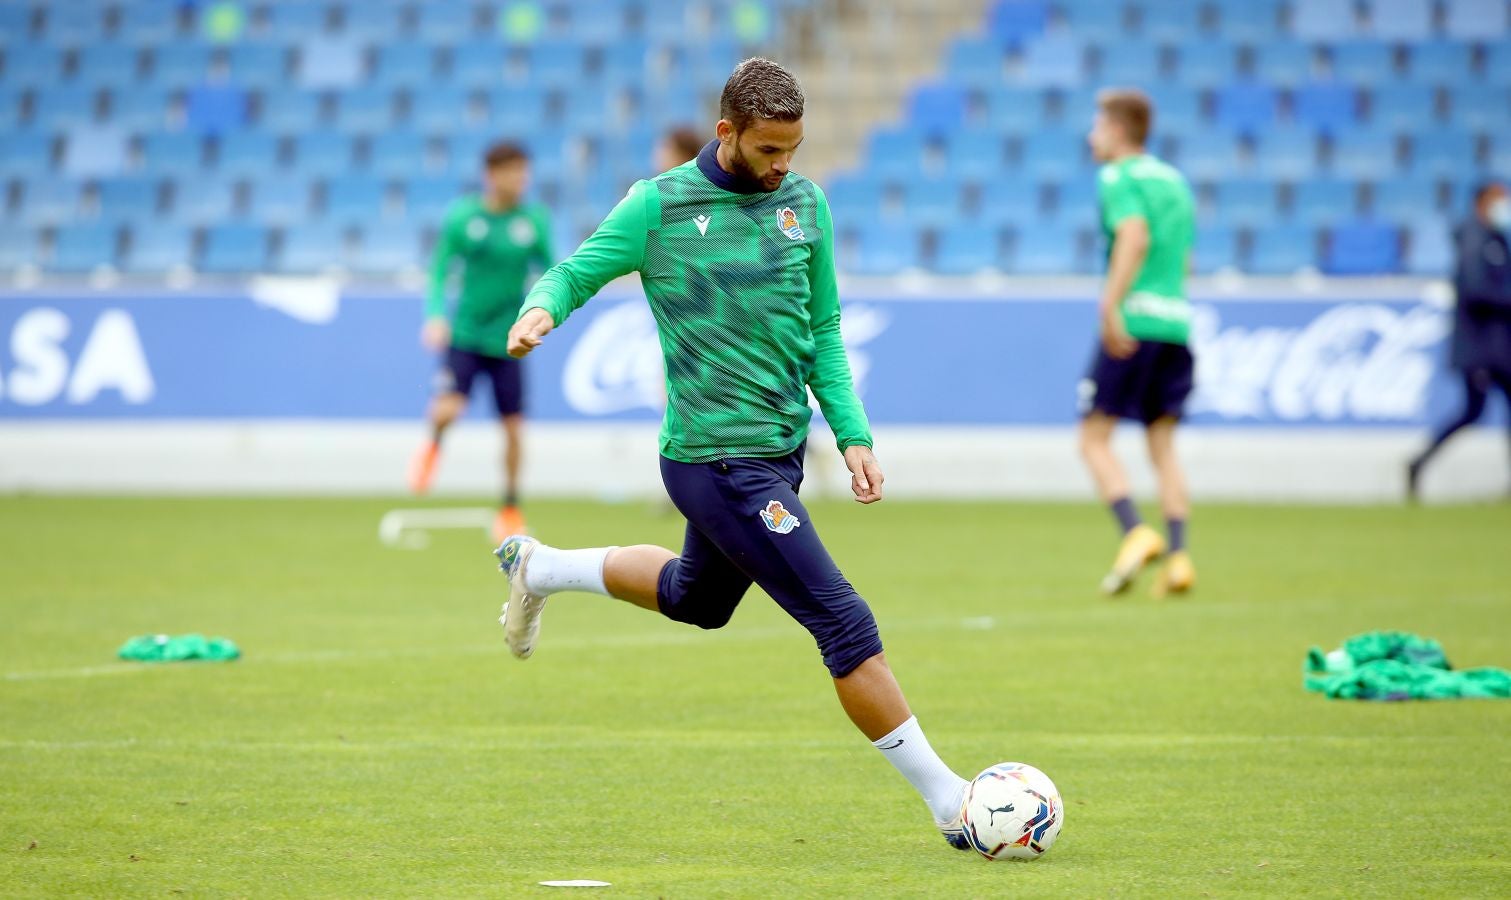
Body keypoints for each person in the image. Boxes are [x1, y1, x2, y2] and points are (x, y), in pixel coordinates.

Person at [495, 58, 972, 851]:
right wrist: (540, 310)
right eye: (768, 150)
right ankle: (951, 801)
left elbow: (822, 331)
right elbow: (577, 271)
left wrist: (852, 435)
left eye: (794, 149)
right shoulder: (659, 204)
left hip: (780, 450)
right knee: (841, 619)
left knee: (698, 599)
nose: (782, 164)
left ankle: (540, 567)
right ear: (727, 132)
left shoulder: (805, 205)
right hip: (713, 460)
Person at [1078, 89, 1197, 598]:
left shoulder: (1116, 177)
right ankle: (1179, 557)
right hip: (1176, 324)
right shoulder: (1175, 180)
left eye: (1098, 126)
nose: (1092, 136)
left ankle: (1135, 531)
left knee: (1094, 438)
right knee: (1162, 446)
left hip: (1137, 321)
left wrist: (1112, 305)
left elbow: (1134, 234)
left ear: (1119, 131)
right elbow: (1184, 258)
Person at [409, 142, 553, 543]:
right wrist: (435, 315)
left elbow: (552, 271)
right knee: (447, 410)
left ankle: (509, 506)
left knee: (512, 428)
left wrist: (543, 311)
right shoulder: (464, 217)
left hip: (510, 340)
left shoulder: (534, 220)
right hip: (467, 335)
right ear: (492, 175)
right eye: (513, 172)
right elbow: (439, 268)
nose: (521, 180)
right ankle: (433, 444)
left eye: (525, 172)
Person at [1407, 182, 1511, 500]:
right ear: (1482, 202)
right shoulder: (1474, 239)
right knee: (1472, 412)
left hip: (1494, 346)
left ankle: (1419, 463)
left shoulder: (1493, 238)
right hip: (1481, 349)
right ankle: (1419, 462)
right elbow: (1475, 290)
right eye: (1499, 199)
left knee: (1475, 412)